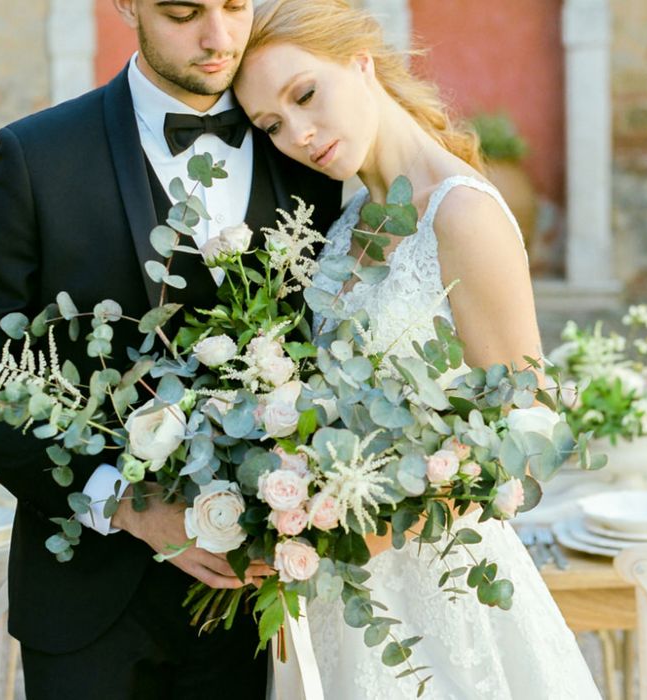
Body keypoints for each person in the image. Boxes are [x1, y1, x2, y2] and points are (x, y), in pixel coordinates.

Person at [0, 1, 341, 697]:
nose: (218, 39)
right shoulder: (38, 157)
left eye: (236, 6)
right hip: (85, 607)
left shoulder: (307, 151)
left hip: (249, 611)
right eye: (184, 11)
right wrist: (122, 501)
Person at [233, 0, 602, 698]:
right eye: (272, 126)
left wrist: (380, 522)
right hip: (344, 601)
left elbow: (529, 421)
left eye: (305, 95)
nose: (299, 134)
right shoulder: (343, 231)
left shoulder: (461, 211)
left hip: (447, 592)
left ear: (361, 60)